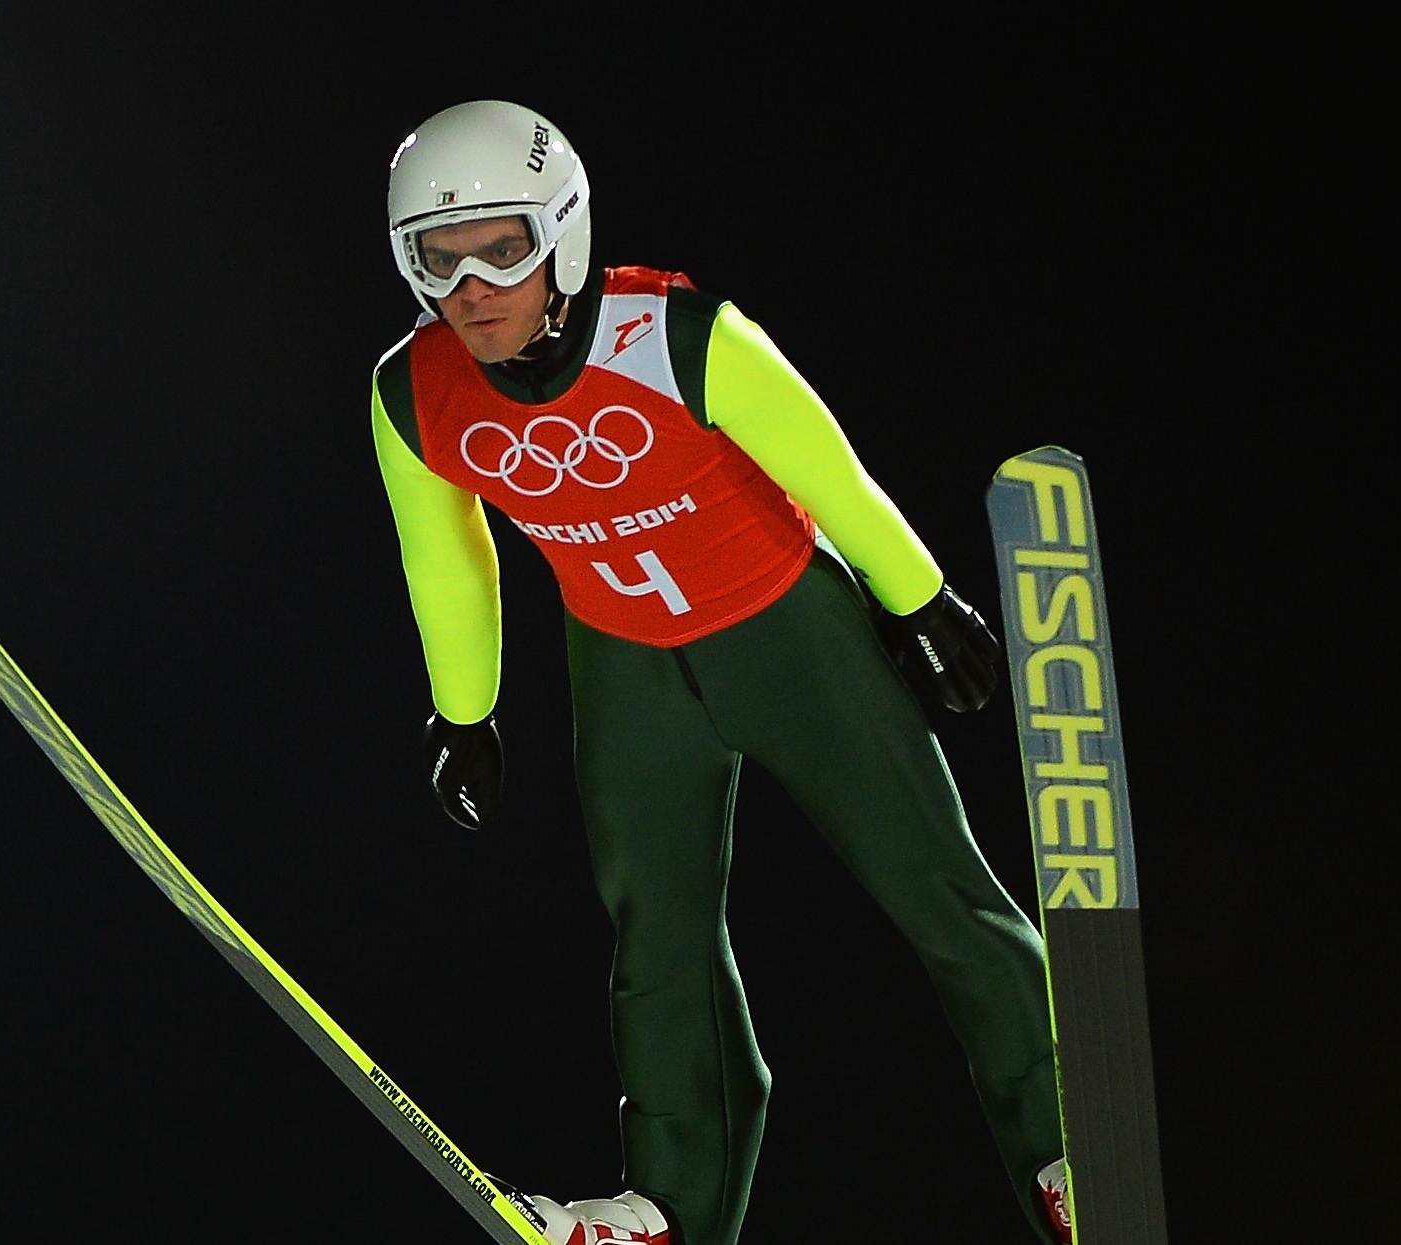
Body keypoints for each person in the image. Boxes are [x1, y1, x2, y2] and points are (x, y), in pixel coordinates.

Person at [370, 99, 1074, 1245]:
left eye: (501, 248)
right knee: (656, 941)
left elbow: (826, 469)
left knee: (935, 888)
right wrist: (465, 716)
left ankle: (1059, 1141)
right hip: (624, 662)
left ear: (562, 236)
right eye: (435, 258)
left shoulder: (675, 334)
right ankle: (668, 1209)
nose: (471, 288)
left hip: (784, 631)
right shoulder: (412, 392)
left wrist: (916, 598)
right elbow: (445, 560)